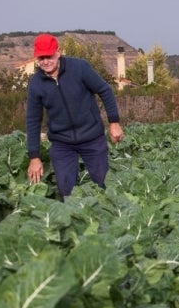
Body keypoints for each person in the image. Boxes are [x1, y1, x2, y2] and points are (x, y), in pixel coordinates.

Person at [26, 33, 123, 197]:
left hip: (92, 138)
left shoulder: (79, 68)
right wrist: (34, 156)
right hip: (62, 143)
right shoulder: (36, 84)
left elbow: (104, 90)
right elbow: (33, 120)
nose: (45, 61)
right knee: (66, 191)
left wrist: (114, 122)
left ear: (58, 52)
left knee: (103, 187)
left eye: (49, 56)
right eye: (41, 58)